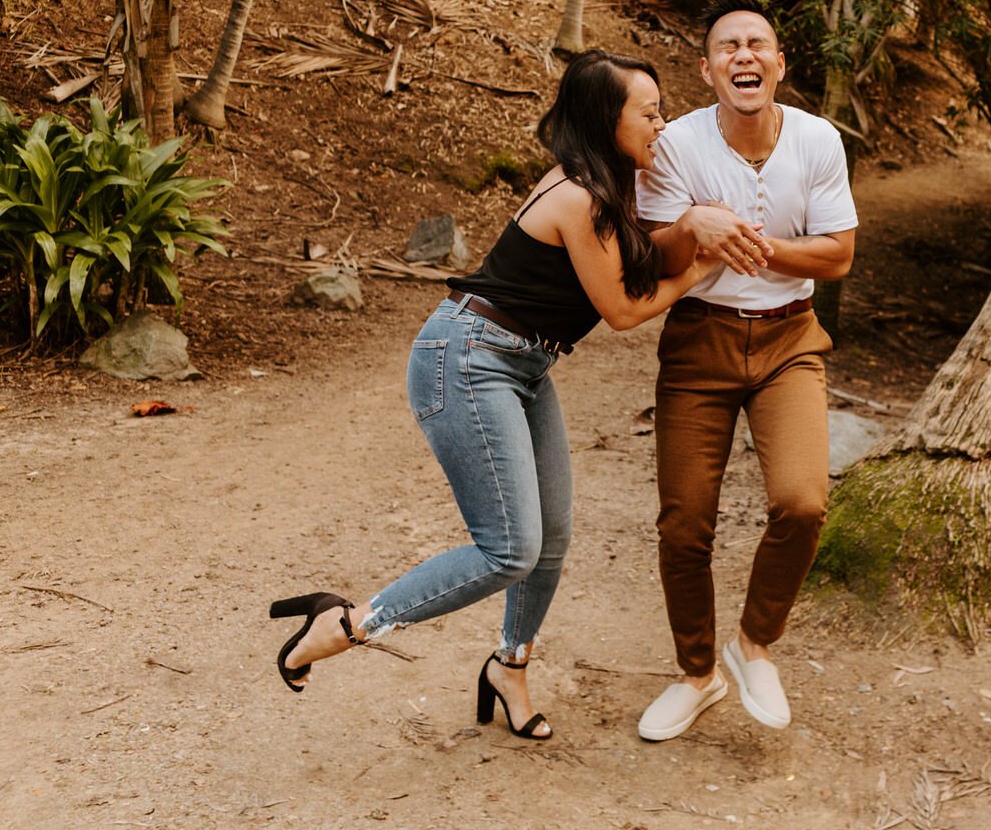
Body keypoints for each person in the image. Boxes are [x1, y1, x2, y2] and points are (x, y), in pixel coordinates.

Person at [269, 50, 720, 741]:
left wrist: (688, 231)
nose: (662, 125)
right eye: (650, 112)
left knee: (553, 537)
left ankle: (509, 666)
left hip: (521, 366)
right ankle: (349, 622)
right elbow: (626, 308)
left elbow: (637, 259)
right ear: (607, 120)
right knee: (508, 549)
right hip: (468, 358)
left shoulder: (605, 189)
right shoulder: (579, 196)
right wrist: (700, 270)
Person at [633, 0, 858, 741]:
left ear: (779, 63)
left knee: (802, 503)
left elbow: (838, 254)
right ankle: (697, 674)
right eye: (727, 46)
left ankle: (754, 644)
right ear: (706, 70)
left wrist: (755, 246)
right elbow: (649, 249)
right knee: (684, 524)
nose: (744, 56)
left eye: (757, 44)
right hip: (698, 341)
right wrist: (692, 224)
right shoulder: (676, 147)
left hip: (790, 338)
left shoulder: (819, 141)